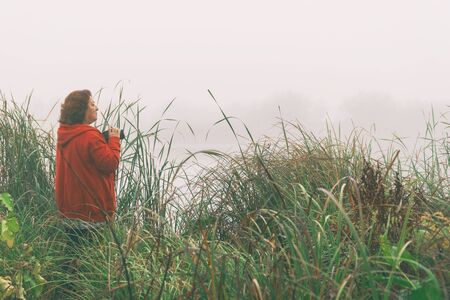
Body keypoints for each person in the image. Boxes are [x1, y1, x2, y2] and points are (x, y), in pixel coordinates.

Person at [55, 89, 121, 259]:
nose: (96, 108)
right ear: (81, 109)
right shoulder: (91, 135)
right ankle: (82, 286)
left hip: (70, 209)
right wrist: (114, 140)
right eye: (92, 104)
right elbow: (110, 163)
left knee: (72, 256)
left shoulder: (64, 133)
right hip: (91, 210)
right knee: (91, 259)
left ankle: (65, 285)